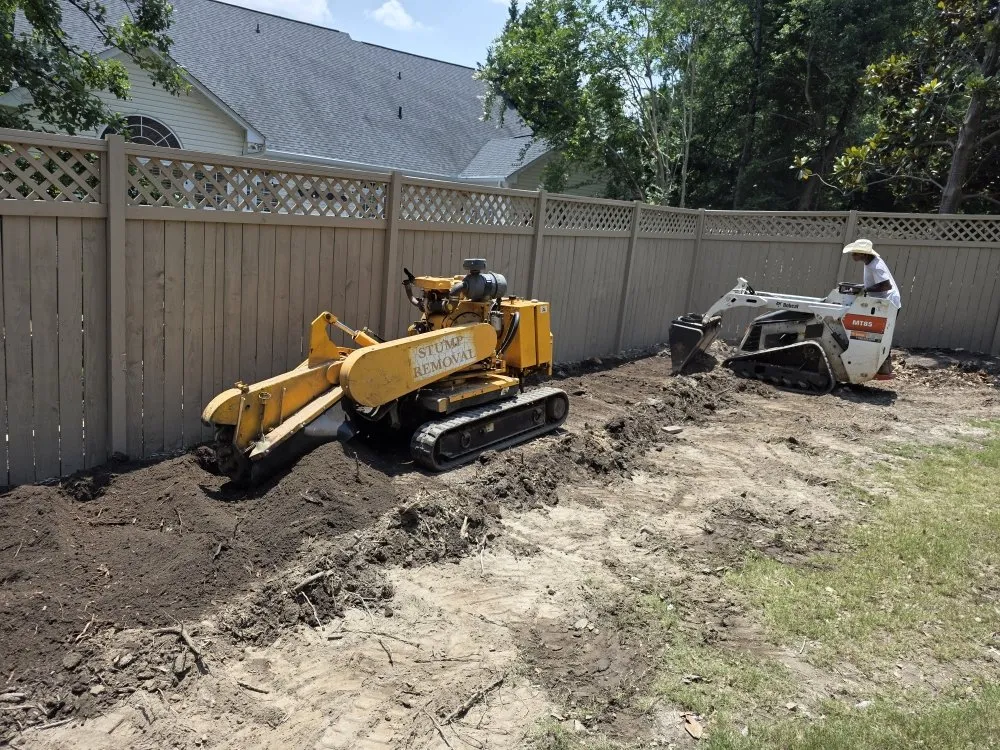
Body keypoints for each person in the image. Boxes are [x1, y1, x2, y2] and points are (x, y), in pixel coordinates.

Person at [843, 238, 902, 379]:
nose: (853, 256)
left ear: (864, 254)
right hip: (883, 303)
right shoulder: (869, 262)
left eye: (855, 253)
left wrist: (865, 289)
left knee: (881, 337)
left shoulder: (876, 265)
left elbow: (886, 285)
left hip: (889, 304)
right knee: (877, 336)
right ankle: (881, 368)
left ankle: (884, 370)